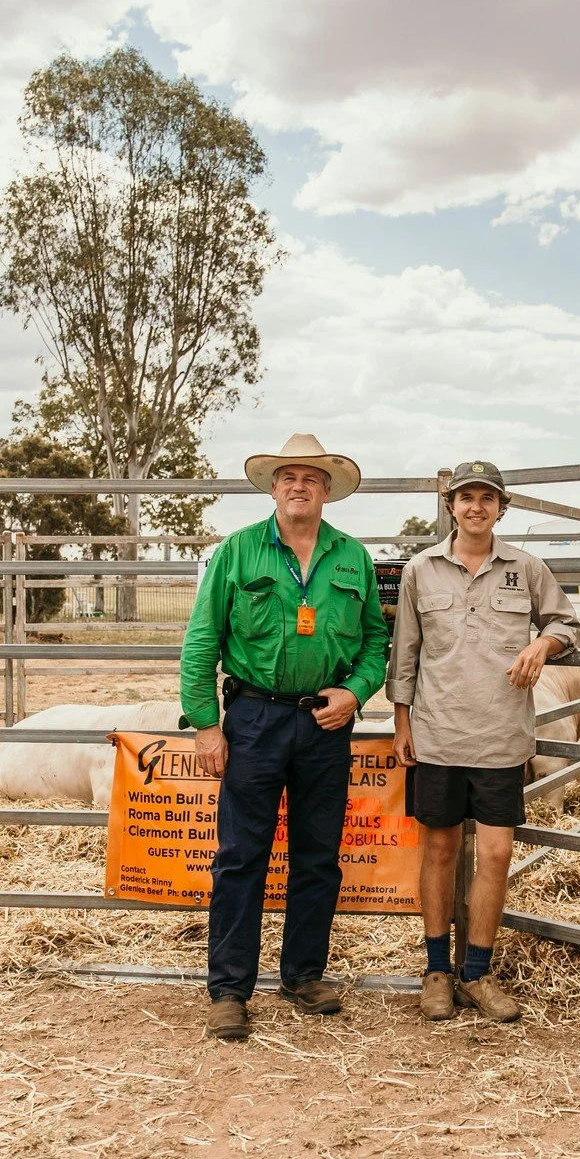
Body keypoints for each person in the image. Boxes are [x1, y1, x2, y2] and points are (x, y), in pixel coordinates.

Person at [179, 432, 390, 1042]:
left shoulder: (352, 557)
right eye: (288, 477)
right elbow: (201, 640)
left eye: (312, 479)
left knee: (318, 855)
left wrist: (355, 692)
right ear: (273, 488)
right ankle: (229, 989)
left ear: (328, 491)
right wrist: (207, 725)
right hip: (254, 719)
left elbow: (375, 640)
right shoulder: (238, 552)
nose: (300, 487)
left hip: (326, 720)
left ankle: (302, 974)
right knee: (242, 855)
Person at [388, 460, 580, 1022]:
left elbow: (568, 623)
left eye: (487, 498)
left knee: (495, 853)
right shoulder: (421, 569)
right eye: (466, 497)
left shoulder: (527, 567)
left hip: (501, 738)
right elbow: (405, 655)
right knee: (441, 851)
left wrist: (542, 646)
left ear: (502, 508)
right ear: (451, 506)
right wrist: (403, 724)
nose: (476, 507)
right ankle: (436, 972)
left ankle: (478, 973)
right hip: (438, 734)